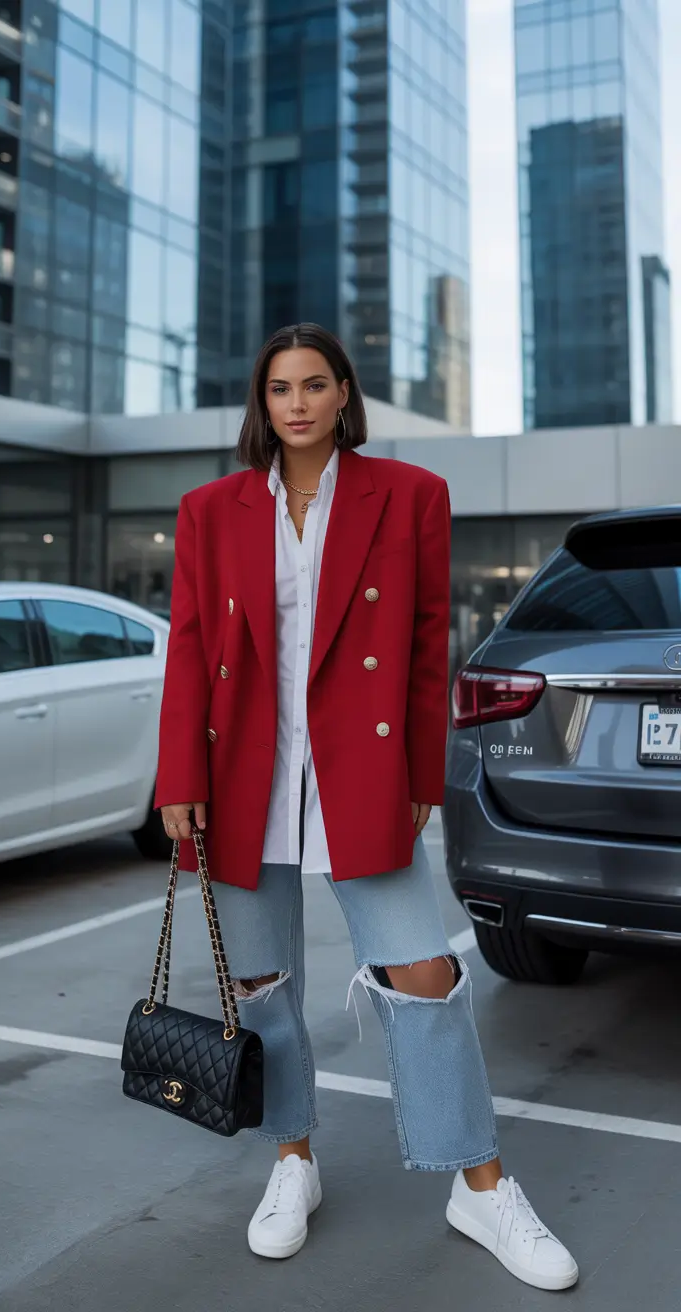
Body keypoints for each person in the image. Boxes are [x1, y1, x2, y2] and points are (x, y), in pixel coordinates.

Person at [155, 323, 579, 1291]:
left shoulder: (409, 496)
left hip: (358, 768)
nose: (296, 403)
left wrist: (421, 778)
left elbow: (428, 639)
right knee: (260, 986)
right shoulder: (210, 509)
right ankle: (291, 1160)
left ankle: (478, 1183)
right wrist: (177, 774)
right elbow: (186, 649)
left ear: (344, 394)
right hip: (241, 772)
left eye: (314, 384)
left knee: (423, 974)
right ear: (260, 405)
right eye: (278, 389)